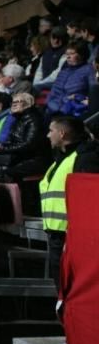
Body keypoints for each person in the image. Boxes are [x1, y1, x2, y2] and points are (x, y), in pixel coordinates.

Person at [39, 116, 99, 291]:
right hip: (56, 233)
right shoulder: (62, 158)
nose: (48, 135)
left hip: (71, 234)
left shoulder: (84, 157)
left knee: (71, 287)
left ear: (62, 133)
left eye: (51, 131)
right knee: (62, 286)